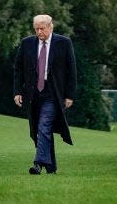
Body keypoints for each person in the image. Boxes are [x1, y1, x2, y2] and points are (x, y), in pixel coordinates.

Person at [13, 14, 77, 175]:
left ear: (50, 27)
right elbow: (18, 69)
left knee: (44, 126)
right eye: (36, 29)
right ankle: (51, 168)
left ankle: (38, 164)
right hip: (32, 94)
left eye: (42, 28)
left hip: (52, 93)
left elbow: (72, 71)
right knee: (39, 129)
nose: (39, 32)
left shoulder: (64, 43)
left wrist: (69, 95)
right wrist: (17, 92)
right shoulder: (26, 43)